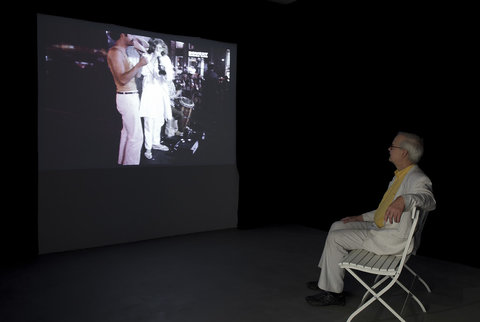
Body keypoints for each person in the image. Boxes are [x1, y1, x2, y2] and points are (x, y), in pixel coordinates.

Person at [305, 131, 436, 306]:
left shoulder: (418, 178)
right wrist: (359, 217)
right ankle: (327, 279)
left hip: (391, 239)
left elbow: (430, 200)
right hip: (380, 228)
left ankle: (333, 294)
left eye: (393, 146)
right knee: (337, 225)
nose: (389, 148)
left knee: (336, 239)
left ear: (404, 152)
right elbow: (384, 211)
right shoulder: (401, 175)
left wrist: (404, 199)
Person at [107, 31, 148, 165]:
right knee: (136, 137)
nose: (133, 38)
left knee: (127, 134)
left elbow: (135, 76)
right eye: (131, 35)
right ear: (122, 34)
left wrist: (141, 56)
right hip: (127, 98)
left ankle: (122, 163)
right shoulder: (115, 52)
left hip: (130, 97)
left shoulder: (123, 52)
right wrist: (139, 64)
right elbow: (123, 79)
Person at [139, 38, 174, 159]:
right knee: (149, 121)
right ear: (153, 48)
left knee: (159, 120)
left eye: (161, 48)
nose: (159, 50)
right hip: (149, 92)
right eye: (157, 48)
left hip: (160, 93)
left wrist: (165, 73)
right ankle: (148, 148)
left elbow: (169, 76)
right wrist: (154, 57)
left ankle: (156, 143)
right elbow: (142, 72)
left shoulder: (166, 59)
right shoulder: (146, 56)